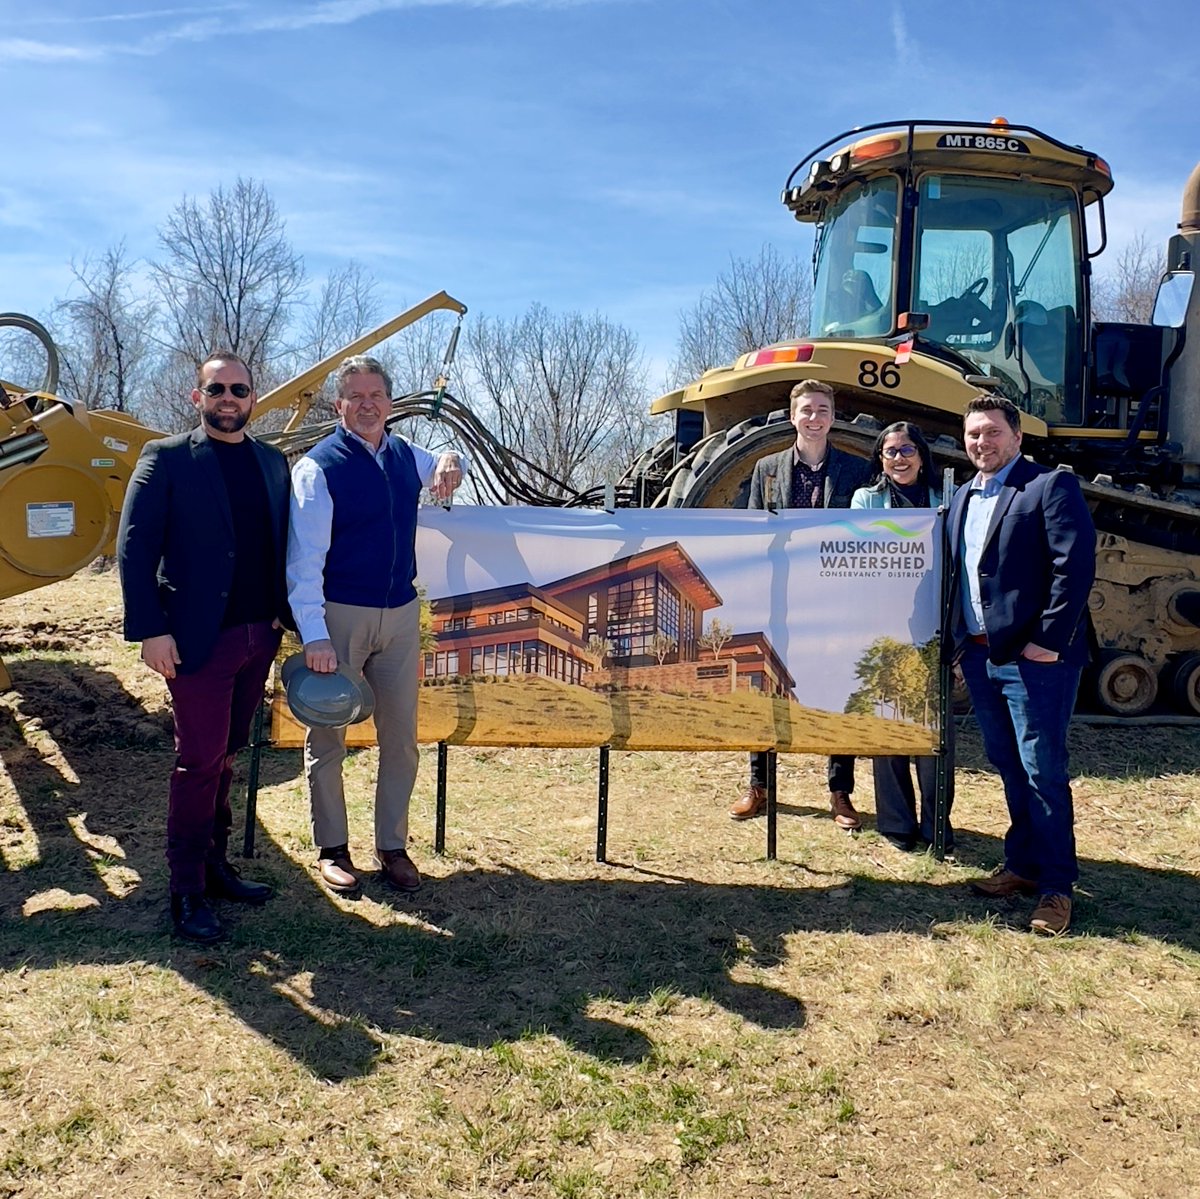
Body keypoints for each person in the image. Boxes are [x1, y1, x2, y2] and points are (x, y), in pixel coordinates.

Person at [118, 352, 292, 943]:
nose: (228, 397)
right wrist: (151, 630)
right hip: (196, 640)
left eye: (238, 389)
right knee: (197, 762)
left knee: (227, 755)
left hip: (257, 636)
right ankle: (185, 889)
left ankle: (216, 866)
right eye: (216, 388)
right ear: (198, 397)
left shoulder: (273, 463)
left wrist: (282, 623)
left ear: (252, 397)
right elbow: (135, 551)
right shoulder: (165, 459)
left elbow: (283, 543)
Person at [287, 355, 466, 896]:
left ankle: (392, 846)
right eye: (355, 397)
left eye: (376, 396)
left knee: (401, 739)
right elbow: (303, 560)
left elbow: (440, 464)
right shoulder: (317, 468)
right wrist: (314, 634)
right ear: (339, 405)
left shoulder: (404, 453)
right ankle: (333, 848)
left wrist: (450, 460)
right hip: (340, 615)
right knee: (328, 735)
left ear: (390, 403)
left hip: (401, 614)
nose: (367, 405)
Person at [947, 394, 1095, 936]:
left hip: (1036, 660)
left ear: (1016, 437)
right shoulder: (963, 495)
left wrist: (1048, 641)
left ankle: (1057, 887)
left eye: (990, 432)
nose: (980, 442)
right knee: (1008, 763)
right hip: (984, 655)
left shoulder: (1048, 486)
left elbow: (1073, 566)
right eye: (972, 434)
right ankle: (1023, 866)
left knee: (1042, 770)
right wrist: (963, 644)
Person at [731, 379, 871, 827]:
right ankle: (760, 787)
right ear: (792, 416)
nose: (814, 418)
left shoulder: (855, 471)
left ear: (834, 417)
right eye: (806, 409)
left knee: (839, 692)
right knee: (764, 690)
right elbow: (753, 533)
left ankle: (840, 793)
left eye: (823, 410)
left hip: (835, 598)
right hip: (779, 596)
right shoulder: (767, 469)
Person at [851, 421, 954, 852]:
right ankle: (896, 823)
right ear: (880, 458)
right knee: (888, 728)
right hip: (885, 626)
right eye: (890, 451)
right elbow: (862, 551)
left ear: (922, 455)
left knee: (935, 735)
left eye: (907, 449)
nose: (899, 458)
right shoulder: (865, 500)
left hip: (932, 626)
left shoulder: (945, 498)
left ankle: (936, 826)